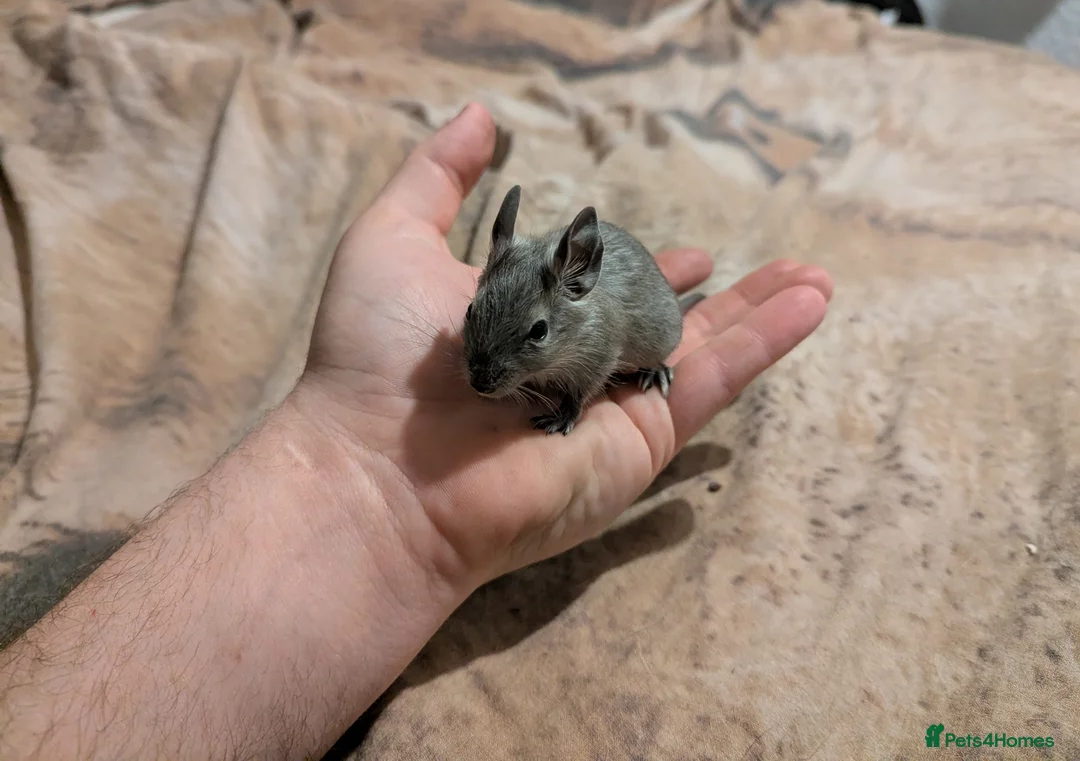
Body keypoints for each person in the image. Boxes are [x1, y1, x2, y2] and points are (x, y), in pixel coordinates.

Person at [0, 103, 832, 760]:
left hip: (634, 338)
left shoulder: (588, 316)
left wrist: (575, 400)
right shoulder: (507, 288)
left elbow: (602, 348)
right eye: (476, 322)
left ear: (571, 282)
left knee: (655, 340)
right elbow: (489, 346)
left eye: (530, 340)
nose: (482, 372)